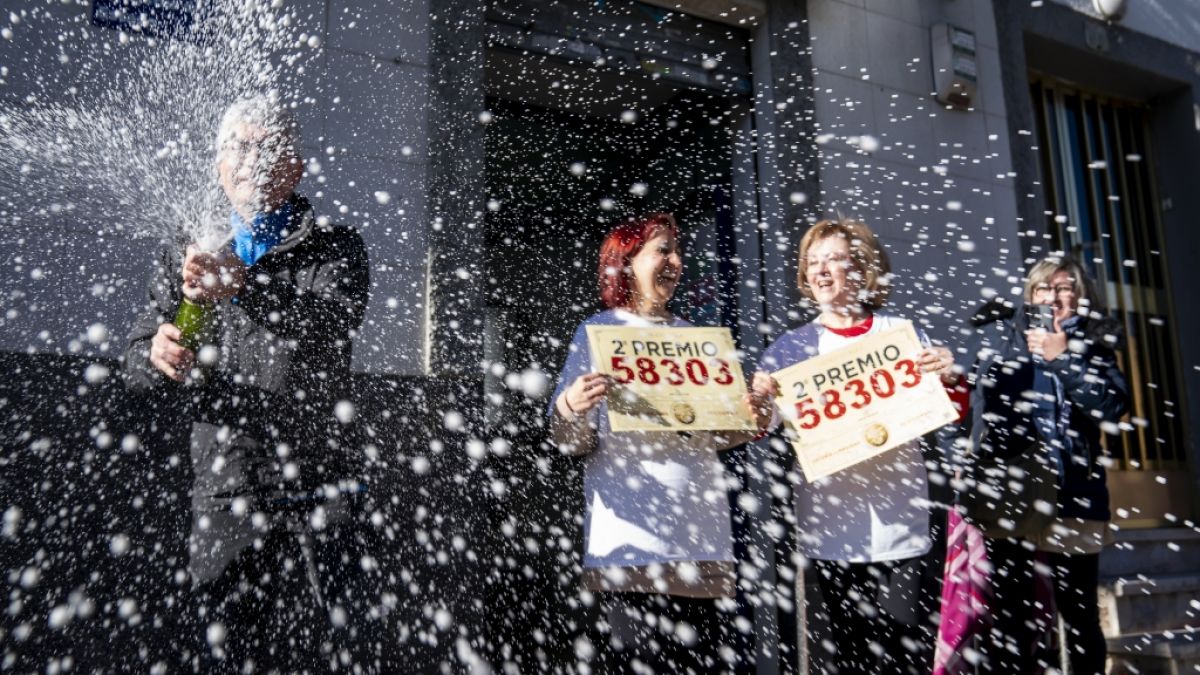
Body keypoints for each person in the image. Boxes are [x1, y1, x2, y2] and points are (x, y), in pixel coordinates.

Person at [124, 96, 373, 671]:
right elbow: (135, 364)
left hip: (320, 490)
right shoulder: (190, 249)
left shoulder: (337, 246)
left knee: (326, 655)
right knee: (227, 655)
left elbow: (331, 323)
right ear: (218, 167)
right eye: (238, 147)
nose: (251, 159)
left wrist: (243, 286)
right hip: (225, 490)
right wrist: (155, 355)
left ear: (297, 167)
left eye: (268, 147)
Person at [547, 212, 771, 673]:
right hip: (629, 547)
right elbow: (568, 442)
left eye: (677, 251)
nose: (675, 261)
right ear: (626, 263)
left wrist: (756, 415)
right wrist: (571, 405)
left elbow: (720, 435)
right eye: (661, 250)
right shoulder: (597, 332)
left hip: (700, 544)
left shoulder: (697, 339)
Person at [749, 217, 959, 675]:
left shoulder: (900, 333)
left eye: (834, 260)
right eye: (812, 263)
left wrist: (949, 373)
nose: (821, 271)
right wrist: (759, 401)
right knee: (847, 661)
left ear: (862, 269)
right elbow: (759, 427)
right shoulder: (790, 349)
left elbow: (948, 408)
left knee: (906, 659)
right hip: (831, 532)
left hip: (901, 527)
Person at [964, 256, 1128, 674]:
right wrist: (964, 462)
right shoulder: (1003, 338)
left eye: (1064, 288)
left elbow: (1111, 409)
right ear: (1030, 295)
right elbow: (976, 408)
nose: (1053, 297)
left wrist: (1063, 358)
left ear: (1080, 295)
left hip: (1074, 493)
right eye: (1043, 289)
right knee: (1011, 614)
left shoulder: (1095, 343)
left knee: (1079, 614)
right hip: (1011, 490)